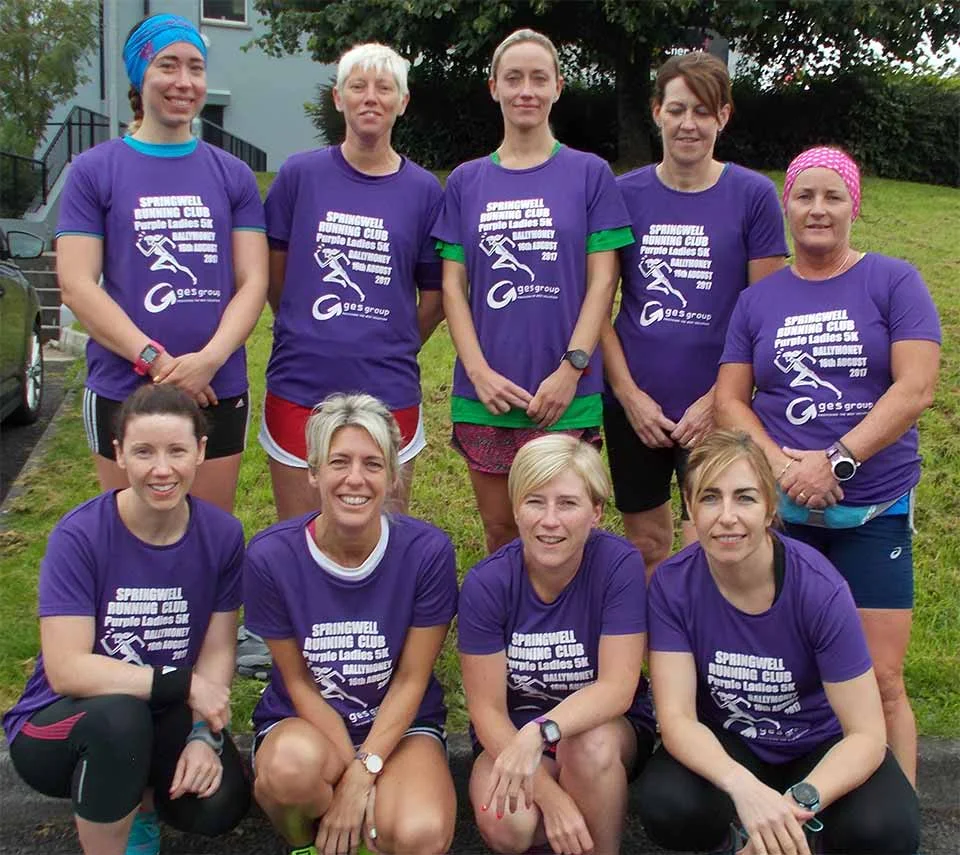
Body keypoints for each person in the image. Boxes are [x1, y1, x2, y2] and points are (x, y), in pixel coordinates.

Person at [715, 146, 941, 786]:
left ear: (854, 206)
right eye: (804, 196)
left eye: (832, 196)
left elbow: (916, 388)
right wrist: (782, 466)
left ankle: (893, 817)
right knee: (789, 671)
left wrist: (836, 462)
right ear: (786, 205)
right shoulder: (759, 300)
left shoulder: (895, 281)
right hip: (783, 514)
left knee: (883, 679)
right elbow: (731, 399)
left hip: (872, 509)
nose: (817, 209)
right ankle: (787, 806)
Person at [637, 430, 919, 854]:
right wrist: (743, 789)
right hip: (733, 740)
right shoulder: (672, 585)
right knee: (667, 804)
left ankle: (803, 836)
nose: (727, 516)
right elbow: (676, 719)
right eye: (710, 497)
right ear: (691, 508)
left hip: (817, 744)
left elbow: (866, 734)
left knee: (888, 829)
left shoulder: (818, 587)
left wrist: (795, 806)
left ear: (770, 508)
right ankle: (731, 839)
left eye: (745, 498)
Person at [2, 384, 249, 855]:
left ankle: (142, 807)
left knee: (219, 801)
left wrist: (202, 734)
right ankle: (115, 840)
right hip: (61, 721)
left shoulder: (222, 535)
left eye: (176, 450)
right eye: (143, 452)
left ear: (200, 452)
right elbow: (67, 669)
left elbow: (218, 647)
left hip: (157, 713)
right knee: (120, 719)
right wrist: (182, 684)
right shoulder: (80, 535)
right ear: (119, 454)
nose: (161, 469)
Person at [56, 13, 268, 514]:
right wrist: (156, 361)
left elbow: (253, 280)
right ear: (140, 76)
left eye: (195, 68)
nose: (183, 81)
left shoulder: (232, 174)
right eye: (167, 65)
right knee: (129, 541)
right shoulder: (94, 171)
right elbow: (77, 284)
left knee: (209, 542)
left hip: (216, 389)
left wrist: (208, 360)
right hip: (122, 388)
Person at [432, 28, 633, 554]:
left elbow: (603, 281)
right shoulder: (466, 181)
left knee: (565, 534)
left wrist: (572, 370)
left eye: (539, 78)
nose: (527, 90)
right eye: (514, 78)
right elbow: (453, 287)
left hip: (566, 396)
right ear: (493, 86)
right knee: (502, 532)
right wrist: (479, 374)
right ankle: (512, 631)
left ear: (558, 87)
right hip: (487, 397)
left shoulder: (590, 174)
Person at [244, 393, 458, 855]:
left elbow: (411, 678)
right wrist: (352, 774)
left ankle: (358, 836)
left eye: (373, 464)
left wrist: (366, 768)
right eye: (339, 462)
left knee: (420, 832)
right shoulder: (271, 557)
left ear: (392, 475)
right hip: (306, 723)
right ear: (314, 471)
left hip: (401, 724)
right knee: (287, 774)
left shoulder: (427, 553)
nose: (355, 479)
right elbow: (298, 681)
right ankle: (306, 846)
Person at [601, 51, 787, 578]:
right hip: (636, 406)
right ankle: (660, 653)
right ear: (657, 110)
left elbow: (765, 316)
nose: (689, 124)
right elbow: (598, 304)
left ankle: (710, 653)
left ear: (723, 117)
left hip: (718, 406)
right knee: (647, 543)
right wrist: (629, 396)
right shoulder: (622, 194)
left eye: (703, 111)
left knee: (712, 539)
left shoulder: (753, 196)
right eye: (678, 109)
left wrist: (717, 402)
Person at [260, 42, 444, 521]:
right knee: (300, 537)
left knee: (385, 541)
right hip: (301, 383)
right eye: (357, 86)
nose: (370, 98)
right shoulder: (300, 175)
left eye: (384, 88)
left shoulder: (424, 191)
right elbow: (272, 272)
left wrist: (394, 341)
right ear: (338, 98)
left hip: (389, 387)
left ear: (402, 102)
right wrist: (305, 326)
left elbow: (436, 295)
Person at [459, 434, 654, 855]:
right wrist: (553, 798)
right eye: (535, 502)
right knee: (507, 825)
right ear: (515, 508)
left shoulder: (618, 565)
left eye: (567, 503)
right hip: (509, 737)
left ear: (596, 512)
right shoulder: (487, 583)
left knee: (589, 746)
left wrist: (542, 731)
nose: (550, 520)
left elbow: (617, 688)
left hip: (598, 728)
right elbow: (486, 709)